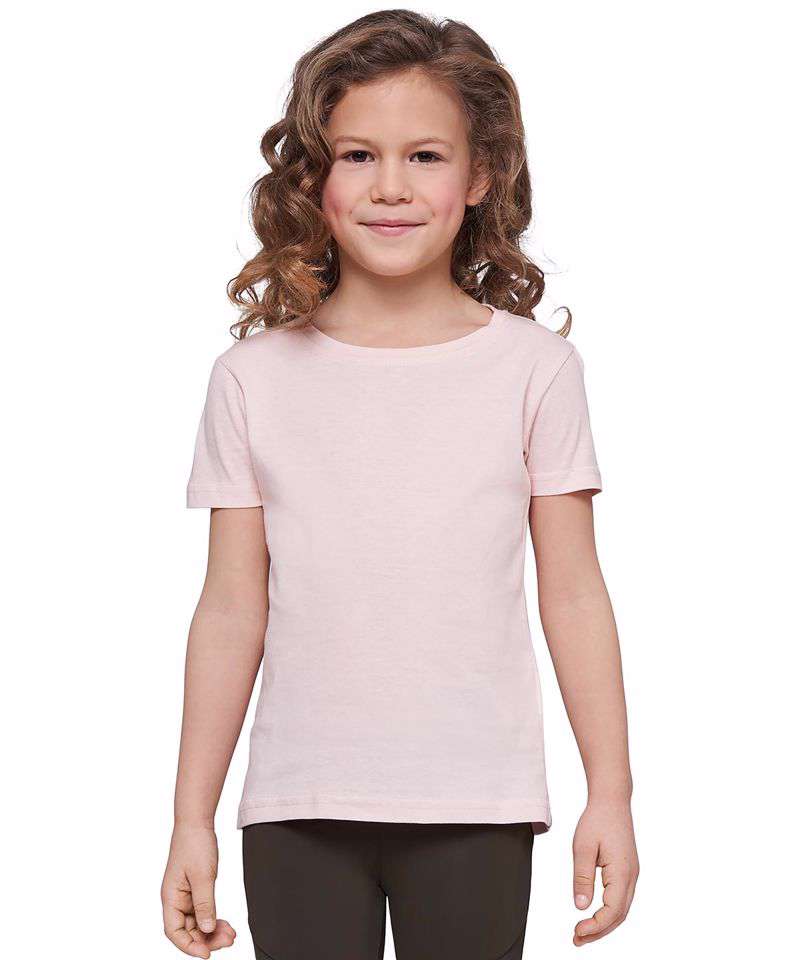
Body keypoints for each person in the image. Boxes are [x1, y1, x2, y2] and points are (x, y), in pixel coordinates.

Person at [161, 9, 639, 959]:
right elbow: (229, 607)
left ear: (480, 175)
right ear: (314, 177)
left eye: (424, 156)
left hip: (477, 800)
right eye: (357, 156)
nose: (390, 186)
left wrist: (611, 794)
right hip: (297, 804)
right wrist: (189, 819)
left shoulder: (536, 370)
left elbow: (575, 592)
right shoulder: (251, 379)